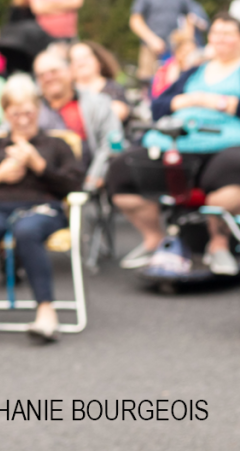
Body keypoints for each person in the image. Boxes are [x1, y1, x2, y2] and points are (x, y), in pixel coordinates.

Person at [0, 75, 84, 347]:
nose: (23, 120)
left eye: (28, 113)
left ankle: (46, 312)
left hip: (41, 208)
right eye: (16, 114)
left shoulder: (56, 145)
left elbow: (74, 184)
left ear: (38, 111)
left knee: (28, 230)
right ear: (6, 113)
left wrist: (39, 166)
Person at [107, 14, 240, 275]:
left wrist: (221, 104)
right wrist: (191, 100)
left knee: (230, 170)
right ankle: (154, 238)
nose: (221, 39)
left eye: (229, 33)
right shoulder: (195, 71)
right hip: (179, 141)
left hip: (225, 145)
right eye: (217, 33)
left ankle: (219, 242)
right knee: (123, 169)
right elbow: (158, 106)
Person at [34, 50, 121, 191]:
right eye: (41, 75)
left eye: (54, 71)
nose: (48, 78)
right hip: (44, 186)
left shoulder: (97, 104)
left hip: (90, 183)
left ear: (69, 71)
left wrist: (96, 176)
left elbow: (113, 143)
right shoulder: (31, 110)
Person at [130, 0, 208, 82]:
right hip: (151, 49)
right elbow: (135, 20)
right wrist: (152, 40)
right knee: (149, 83)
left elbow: (190, 17)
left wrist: (186, 41)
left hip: (175, 50)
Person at [69, 41, 130, 123]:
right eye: (75, 59)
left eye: (85, 57)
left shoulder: (113, 88)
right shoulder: (68, 93)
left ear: (98, 61)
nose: (81, 62)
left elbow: (119, 112)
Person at [151, 28, 201, 99]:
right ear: (177, 53)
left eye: (193, 53)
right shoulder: (165, 71)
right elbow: (159, 97)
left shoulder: (198, 70)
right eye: (186, 53)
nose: (191, 57)